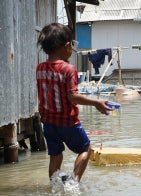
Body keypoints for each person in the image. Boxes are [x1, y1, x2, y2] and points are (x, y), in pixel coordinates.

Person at [36, 23, 112, 182]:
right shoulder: (68, 69)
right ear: (66, 46)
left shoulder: (40, 68)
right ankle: (74, 181)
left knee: (55, 155)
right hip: (67, 122)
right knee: (85, 148)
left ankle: (55, 185)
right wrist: (96, 102)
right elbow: (72, 96)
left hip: (48, 123)